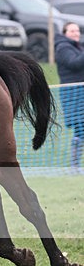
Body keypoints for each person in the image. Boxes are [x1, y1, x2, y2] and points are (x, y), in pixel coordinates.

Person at [54, 22, 84, 173]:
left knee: (80, 131)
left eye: (77, 31)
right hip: (73, 95)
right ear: (65, 33)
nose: (76, 33)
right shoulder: (63, 48)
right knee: (80, 129)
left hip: (81, 94)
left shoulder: (78, 47)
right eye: (72, 31)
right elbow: (74, 64)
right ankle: (74, 165)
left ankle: (75, 166)